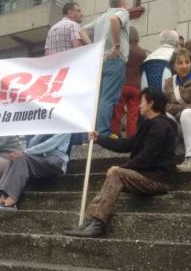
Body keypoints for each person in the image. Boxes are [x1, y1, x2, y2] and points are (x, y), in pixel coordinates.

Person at [65, 88, 176, 238]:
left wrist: (121, 168)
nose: (139, 105)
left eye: (142, 102)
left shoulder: (161, 126)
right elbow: (126, 144)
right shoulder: (149, 124)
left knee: (117, 174)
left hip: (156, 179)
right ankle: (89, 221)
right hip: (146, 176)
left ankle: (97, 223)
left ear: (151, 103)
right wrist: (100, 138)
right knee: (116, 174)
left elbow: (147, 157)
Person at [81, 0, 131, 136]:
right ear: (122, 3)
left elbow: (81, 30)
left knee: (97, 98)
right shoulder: (122, 12)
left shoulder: (100, 18)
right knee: (108, 98)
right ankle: (101, 133)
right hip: (114, 60)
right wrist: (116, 45)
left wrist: (94, 48)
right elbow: (115, 20)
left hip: (99, 61)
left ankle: (89, 134)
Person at [0, 134, 71, 210]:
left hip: (55, 161)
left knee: (22, 157)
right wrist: (43, 132)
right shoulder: (46, 125)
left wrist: (24, 152)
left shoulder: (64, 125)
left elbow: (50, 144)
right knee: (16, 157)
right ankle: (3, 197)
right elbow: (31, 144)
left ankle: (12, 200)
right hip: (39, 159)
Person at [112, 28, 147, 137]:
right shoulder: (142, 52)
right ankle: (131, 137)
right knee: (133, 115)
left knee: (117, 112)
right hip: (136, 87)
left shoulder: (122, 50)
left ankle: (114, 134)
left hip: (122, 85)